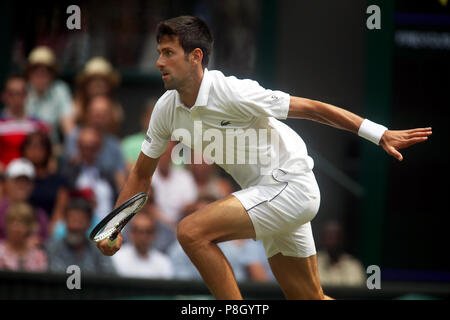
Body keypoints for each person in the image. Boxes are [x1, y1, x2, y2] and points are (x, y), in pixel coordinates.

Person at [96, 16, 432, 300]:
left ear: (195, 56)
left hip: (290, 185)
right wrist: (115, 226)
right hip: (265, 196)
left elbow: (312, 108)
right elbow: (141, 174)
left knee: (191, 231)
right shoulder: (165, 109)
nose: (159, 62)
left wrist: (379, 133)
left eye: (168, 53)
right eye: (159, 53)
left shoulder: (234, 92)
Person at [64, 95, 126, 188]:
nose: (98, 117)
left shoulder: (114, 144)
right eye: (95, 113)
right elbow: (71, 166)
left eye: (103, 114)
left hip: (107, 192)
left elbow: (120, 178)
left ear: (110, 117)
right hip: (76, 190)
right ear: (87, 114)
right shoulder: (74, 136)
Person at [46, 197, 115, 275]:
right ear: (65, 221)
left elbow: (111, 277)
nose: (76, 226)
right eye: (72, 220)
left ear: (89, 223)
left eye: (80, 221)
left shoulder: (98, 250)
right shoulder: (51, 248)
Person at [21, 131, 69, 233]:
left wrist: (49, 234)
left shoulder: (59, 181)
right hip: (20, 229)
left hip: (50, 230)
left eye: (40, 147)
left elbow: (59, 212)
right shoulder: (18, 179)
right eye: (31, 147)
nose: (35, 152)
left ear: (47, 150)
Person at [25, 46, 75, 143]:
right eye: (36, 72)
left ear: (52, 75)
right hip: (24, 147)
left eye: (45, 72)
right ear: (29, 74)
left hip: (51, 148)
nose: (40, 77)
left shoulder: (60, 90)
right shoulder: (22, 90)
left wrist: (72, 149)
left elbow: (68, 126)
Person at [0, 75, 49, 169]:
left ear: (26, 95)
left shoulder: (38, 125)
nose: (16, 98)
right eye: (12, 94)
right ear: (4, 96)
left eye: (20, 93)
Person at [0, 158, 49, 247]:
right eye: (17, 181)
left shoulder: (40, 215)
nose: (22, 185)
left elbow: (46, 243)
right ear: (7, 183)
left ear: (32, 185)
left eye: (26, 181)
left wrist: (39, 244)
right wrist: (19, 244)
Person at [111, 211, 173, 279]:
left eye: (148, 232)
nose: (143, 237)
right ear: (131, 233)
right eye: (139, 232)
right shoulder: (117, 258)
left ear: (154, 234)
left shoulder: (163, 262)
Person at [73, 57, 123, 136]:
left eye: (102, 81)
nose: (98, 85)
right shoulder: (76, 106)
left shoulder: (116, 110)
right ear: (85, 84)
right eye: (93, 80)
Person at [0, 202, 48, 272]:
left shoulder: (38, 256)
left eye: (21, 223)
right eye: (12, 222)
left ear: (29, 227)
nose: (16, 227)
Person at [317, 220, 366, 287]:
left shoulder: (354, 266)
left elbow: (359, 293)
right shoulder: (313, 265)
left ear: (343, 240)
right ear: (322, 239)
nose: (333, 242)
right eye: (329, 237)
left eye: (336, 237)